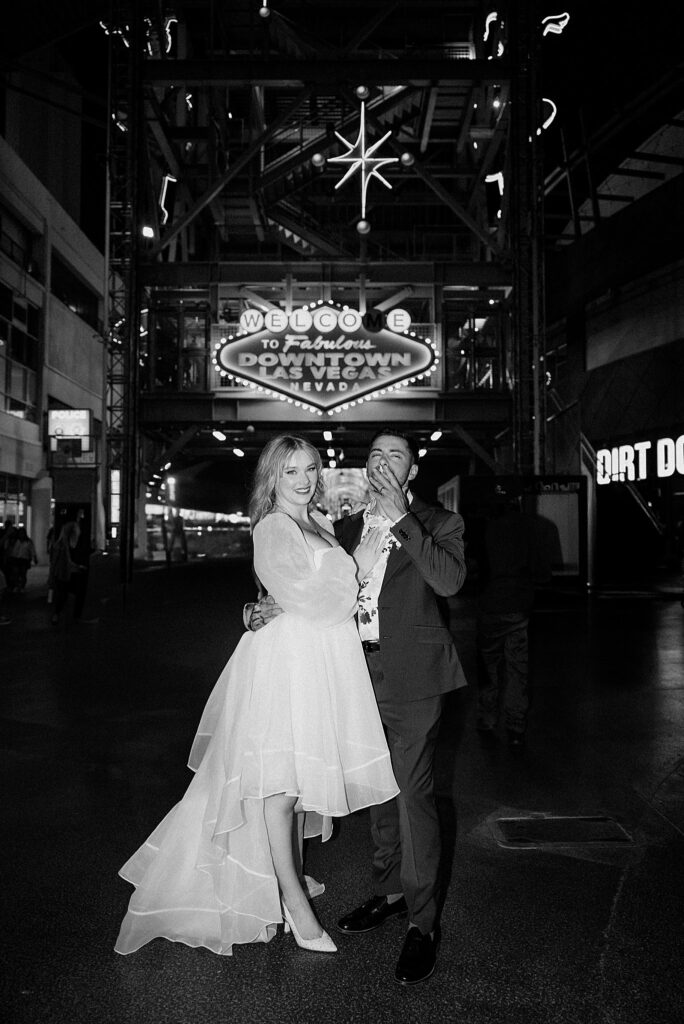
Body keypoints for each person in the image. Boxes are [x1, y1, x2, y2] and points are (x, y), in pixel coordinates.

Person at [115, 435, 398, 957]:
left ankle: (282, 885)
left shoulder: (321, 524)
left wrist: (357, 558)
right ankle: (295, 905)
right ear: (272, 476)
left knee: (294, 783)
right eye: (290, 471)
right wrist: (345, 574)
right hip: (285, 664)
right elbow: (312, 602)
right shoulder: (273, 526)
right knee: (279, 788)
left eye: (310, 468)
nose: (304, 479)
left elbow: (323, 592)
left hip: (316, 662)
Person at [250, 429, 468, 986]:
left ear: (412, 472)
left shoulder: (439, 523)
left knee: (413, 790)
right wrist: (257, 610)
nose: (382, 463)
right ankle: (390, 891)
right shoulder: (341, 526)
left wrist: (402, 520)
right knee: (376, 790)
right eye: (374, 455)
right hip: (351, 675)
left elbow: (449, 581)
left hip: (414, 677)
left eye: (396, 456)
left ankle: (423, 922)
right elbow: (311, 589)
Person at [474, 483, 552, 750]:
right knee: (518, 666)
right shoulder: (532, 527)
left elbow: (476, 569)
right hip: (520, 605)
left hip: (491, 604)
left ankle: (487, 718)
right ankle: (516, 726)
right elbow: (542, 570)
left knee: (488, 665)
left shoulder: (484, 528)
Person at [48, 521, 85, 625]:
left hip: (70, 573)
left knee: (69, 594)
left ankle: (65, 615)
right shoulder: (61, 545)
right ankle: (59, 614)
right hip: (63, 573)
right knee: (63, 595)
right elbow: (56, 562)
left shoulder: (74, 543)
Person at [4, 526, 38, 592]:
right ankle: (17, 586)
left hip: (24, 560)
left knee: (23, 573)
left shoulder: (28, 542)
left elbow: (32, 550)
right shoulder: (16, 541)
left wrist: (34, 558)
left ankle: (22, 586)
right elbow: (11, 550)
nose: (21, 535)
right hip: (16, 559)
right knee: (16, 573)